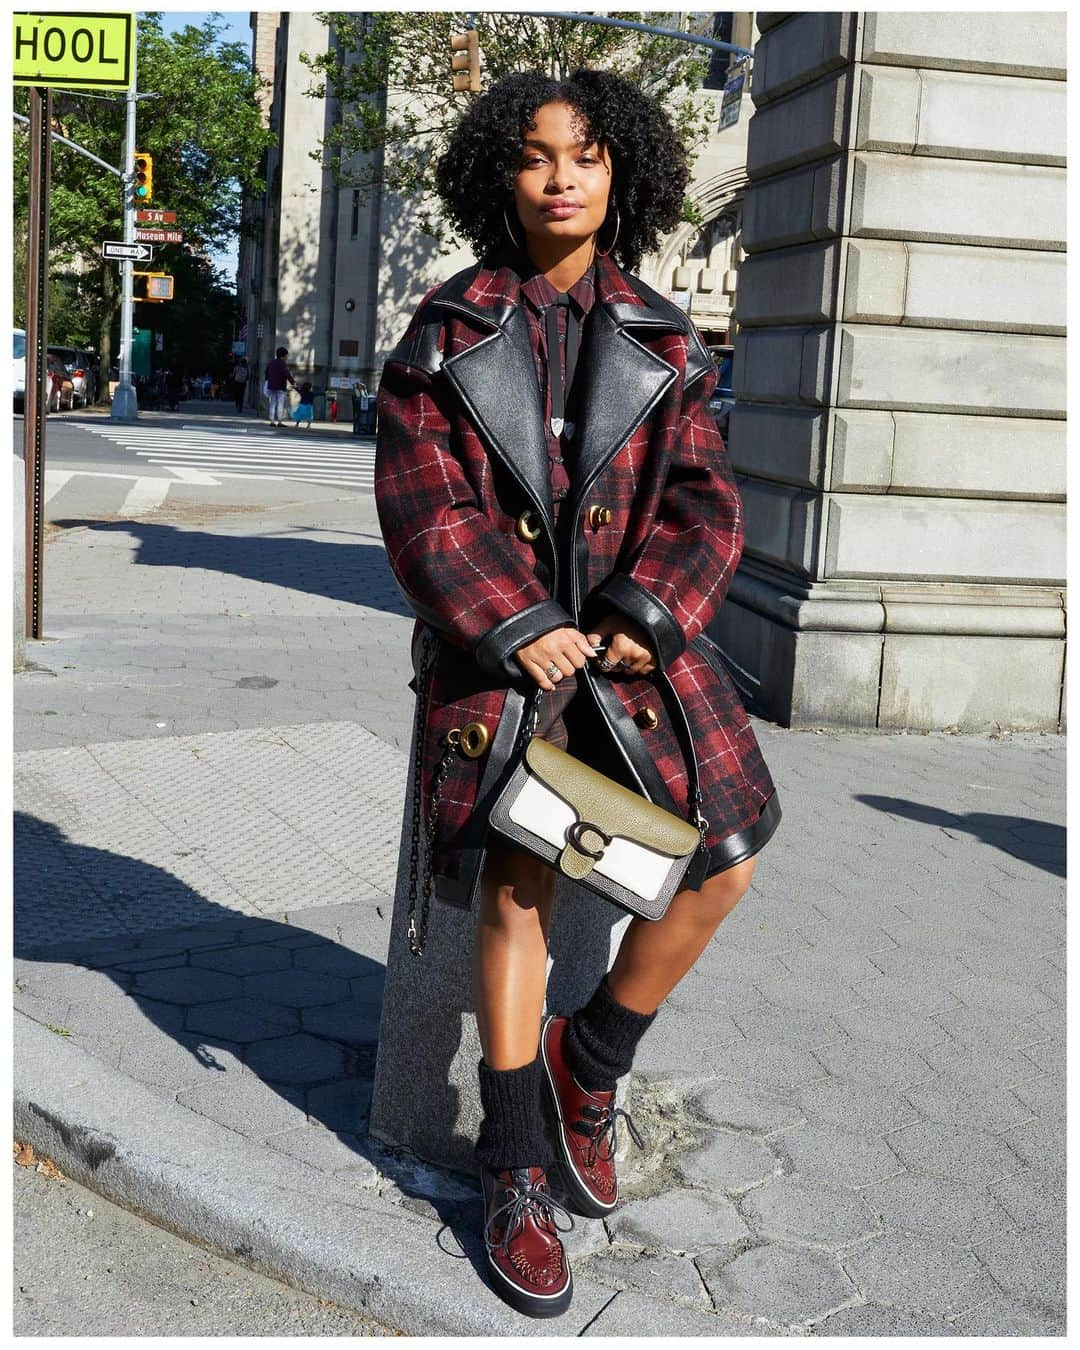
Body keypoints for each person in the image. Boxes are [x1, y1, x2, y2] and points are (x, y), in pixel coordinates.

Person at [374, 70, 781, 1320]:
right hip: (501, 662)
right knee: (518, 885)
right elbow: (423, 505)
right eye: (537, 156)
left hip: (640, 654)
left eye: (588, 156)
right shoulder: (444, 332)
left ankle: (589, 1059)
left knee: (724, 861)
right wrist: (519, 622)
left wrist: (638, 616)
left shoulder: (668, 338)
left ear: (625, 177)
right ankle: (511, 1166)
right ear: (500, 174)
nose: (562, 177)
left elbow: (709, 504)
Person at [264, 345, 297, 426]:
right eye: (286, 355)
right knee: (280, 403)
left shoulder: (271, 362)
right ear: (284, 355)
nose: (287, 357)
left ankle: (271, 421)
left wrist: (269, 379)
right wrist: (293, 383)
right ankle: (279, 421)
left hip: (271, 385)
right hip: (280, 386)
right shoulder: (282, 364)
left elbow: (266, 372)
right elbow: (287, 374)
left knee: (272, 403)